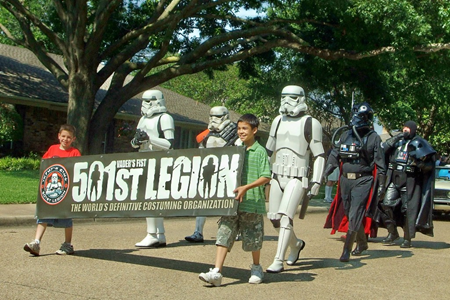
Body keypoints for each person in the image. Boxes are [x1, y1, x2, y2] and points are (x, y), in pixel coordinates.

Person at [198, 114, 271, 286]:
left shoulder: (259, 151)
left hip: (252, 203)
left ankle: (256, 268)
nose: (241, 132)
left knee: (253, 237)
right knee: (224, 233)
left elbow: (266, 176)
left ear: (254, 130)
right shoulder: (234, 150)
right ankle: (217, 271)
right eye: (239, 128)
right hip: (232, 202)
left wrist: (246, 187)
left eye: (245, 128)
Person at [265, 85, 325, 273]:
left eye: (290, 97)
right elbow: (268, 150)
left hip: (297, 177)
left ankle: (278, 260)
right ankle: (296, 244)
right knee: (273, 218)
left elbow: (319, 154)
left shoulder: (311, 123)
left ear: (300, 98)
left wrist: (316, 180)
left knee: (285, 218)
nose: (285, 101)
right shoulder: (277, 121)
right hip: (276, 175)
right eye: (283, 97)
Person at [323, 102, 386, 262]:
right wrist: (328, 167)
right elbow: (335, 152)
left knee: (355, 212)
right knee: (349, 211)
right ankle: (363, 243)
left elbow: (380, 164)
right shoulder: (345, 135)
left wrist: (382, 186)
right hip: (345, 179)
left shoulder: (373, 137)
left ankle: (346, 250)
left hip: (362, 180)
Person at [23, 124, 81, 256]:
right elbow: (45, 165)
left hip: (66, 192)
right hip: (51, 191)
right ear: (59, 136)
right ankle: (36, 243)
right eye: (63, 136)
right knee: (44, 215)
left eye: (69, 137)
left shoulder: (74, 153)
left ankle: (67, 244)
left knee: (66, 218)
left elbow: (78, 169)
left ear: (73, 139)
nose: (65, 139)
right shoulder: (52, 149)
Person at [185, 106, 240, 243]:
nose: (213, 119)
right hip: (209, 171)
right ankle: (198, 232)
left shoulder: (234, 132)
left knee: (230, 203)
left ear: (225, 117)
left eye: (217, 117)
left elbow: (240, 151)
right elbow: (201, 150)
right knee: (202, 202)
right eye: (211, 116)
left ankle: (234, 231)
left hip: (227, 172)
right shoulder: (207, 133)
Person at [378, 121, 435, 248]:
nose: (405, 130)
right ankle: (392, 232)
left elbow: (430, 164)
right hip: (394, 177)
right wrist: (396, 137)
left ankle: (407, 238)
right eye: (404, 127)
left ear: (413, 129)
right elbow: (382, 149)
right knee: (385, 203)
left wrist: (420, 164)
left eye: (408, 128)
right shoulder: (397, 142)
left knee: (408, 209)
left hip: (410, 179)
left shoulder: (420, 143)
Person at [133, 89, 175, 248]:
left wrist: (150, 139)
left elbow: (170, 144)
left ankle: (152, 234)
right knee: (149, 197)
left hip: (159, 161)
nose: (146, 104)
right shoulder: (142, 119)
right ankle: (159, 234)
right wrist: (136, 142)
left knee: (151, 198)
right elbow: (137, 141)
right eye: (144, 100)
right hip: (144, 158)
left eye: (150, 100)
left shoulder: (165, 118)